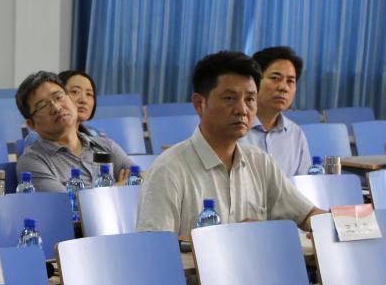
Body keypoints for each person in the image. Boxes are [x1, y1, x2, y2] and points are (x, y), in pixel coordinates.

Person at [136, 51, 323, 239]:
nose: (242, 110)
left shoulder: (260, 163)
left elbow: (306, 214)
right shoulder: (168, 170)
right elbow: (155, 248)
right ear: (200, 104)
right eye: (229, 98)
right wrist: (231, 238)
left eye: (250, 99)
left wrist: (337, 224)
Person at [15, 70, 134, 193]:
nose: (56, 107)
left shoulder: (106, 146)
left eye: (58, 97)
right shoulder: (32, 162)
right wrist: (120, 187)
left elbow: (141, 178)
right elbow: (67, 201)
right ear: (31, 124)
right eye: (42, 106)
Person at [239, 46, 312, 176]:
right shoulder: (233, 129)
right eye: (275, 78)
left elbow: (303, 184)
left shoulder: (295, 134)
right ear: (253, 82)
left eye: (290, 81)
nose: (284, 87)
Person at [58, 69, 100, 136]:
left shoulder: (95, 136)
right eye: (75, 92)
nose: (84, 100)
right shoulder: (42, 138)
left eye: (89, 94)